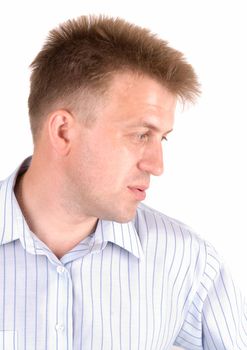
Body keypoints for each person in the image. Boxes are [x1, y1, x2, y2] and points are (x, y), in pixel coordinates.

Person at [0, 15, 246, 350]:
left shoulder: (189, 262)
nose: (157, 165)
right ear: (63, 131)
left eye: (163, 139)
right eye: (141, 134)